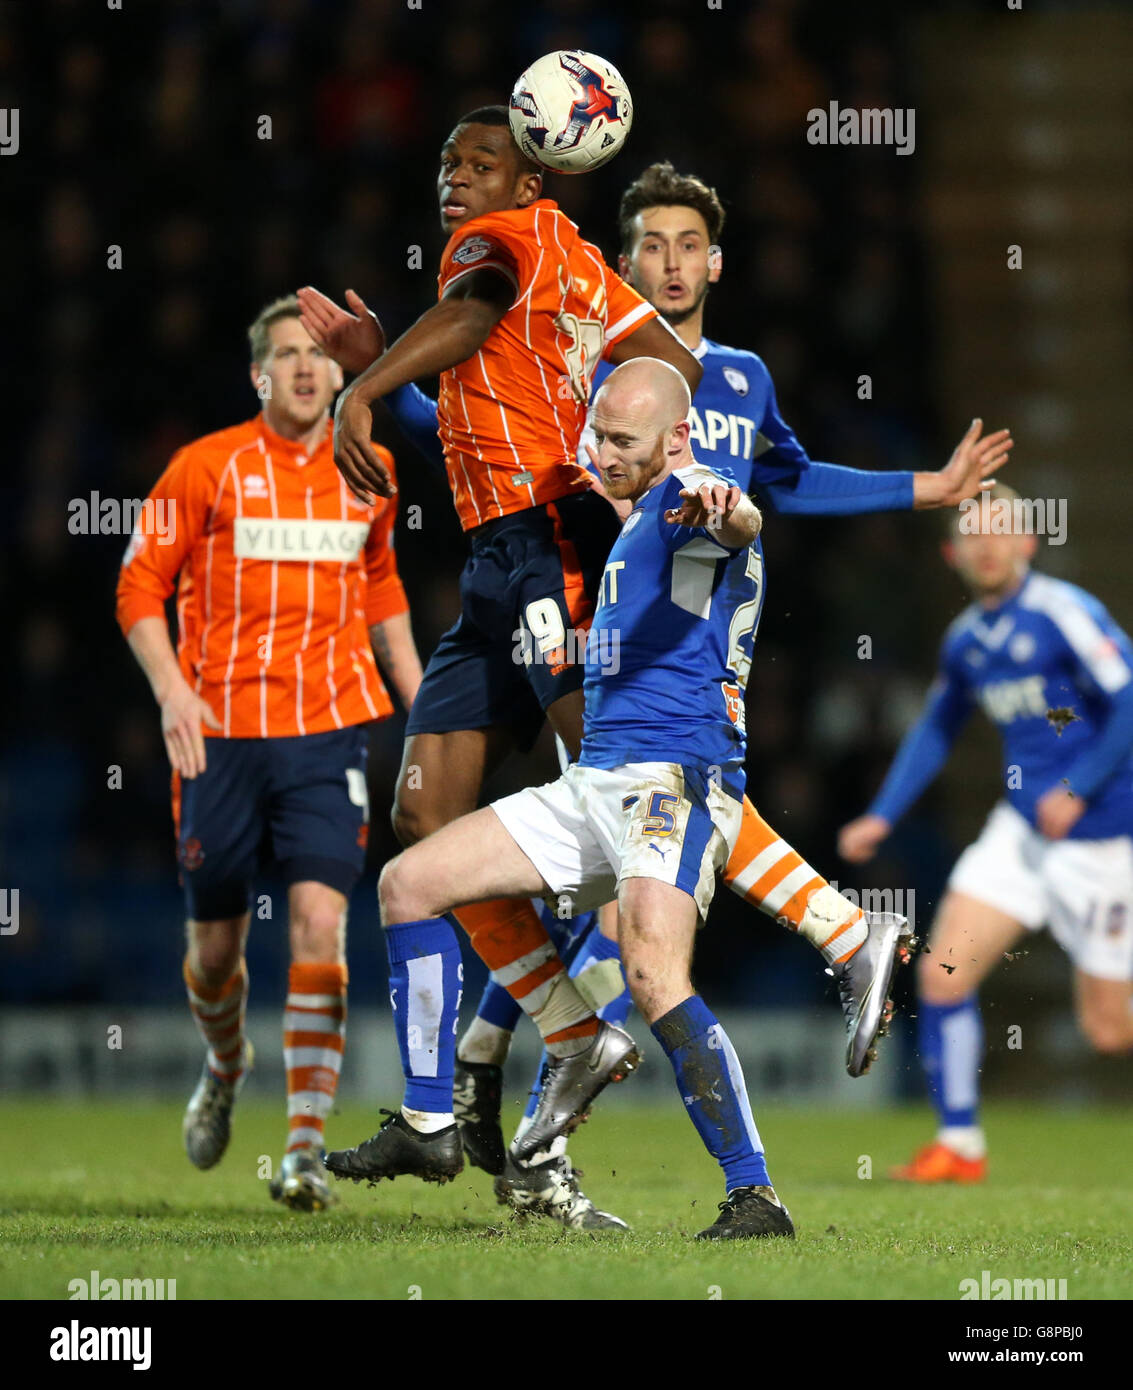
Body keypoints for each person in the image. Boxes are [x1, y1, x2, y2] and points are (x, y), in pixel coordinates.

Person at [322, 159, 1010, 1226]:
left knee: (643, 916)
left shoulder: (732, 388)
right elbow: (482, 442)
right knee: (457, 851)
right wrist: (391, 390)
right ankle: (532, 1066)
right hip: (566, 596)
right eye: (648, 246)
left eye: (688, 245)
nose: (670, 263)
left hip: (669, 673)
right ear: (621, 264)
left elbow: (774, 488)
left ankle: (545, 1099)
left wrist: (909, 489)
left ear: (715, 262)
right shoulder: (580, 352)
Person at [328, 358, 798, 1240]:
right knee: (407, 881)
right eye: (597, 435)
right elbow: (478, 439)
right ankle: (436, 1115)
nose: (602, 453)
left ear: (675, 439)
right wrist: (390, 382)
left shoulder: (685, 500)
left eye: (623, 441)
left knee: (656, 976)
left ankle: (754, 1195)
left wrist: (723, 505)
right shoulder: (617, 511)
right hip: (592, 785)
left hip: (668, 784)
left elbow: (734, 518)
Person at [116, 296, 421, 1212]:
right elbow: (138, 584)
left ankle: (302, 1149)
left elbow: (381, 594)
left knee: (322, 926)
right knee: (214, 952)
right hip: (219, 741)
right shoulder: (204, 468)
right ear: (258, 374)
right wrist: (173, 690)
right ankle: (224, 1060)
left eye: (319, 354)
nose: (303, 367)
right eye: (285, 353)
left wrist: (426, 715)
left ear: (340, 374)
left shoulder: (371, 471)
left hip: (329, 734)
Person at [839, 484, 1133, 1182]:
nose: (987, 544)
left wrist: (1078, 786)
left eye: (1001, 530)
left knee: (1108, 1031)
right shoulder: (967, 638)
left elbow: (1127, 701)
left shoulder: (1063, 613)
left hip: (1098, 838)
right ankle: (959, 1145)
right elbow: (938, 726)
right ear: (951, 553)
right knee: (943, 974)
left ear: (1029, 542)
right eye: (973, 534)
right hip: (1019, 834)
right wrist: (882, 813)